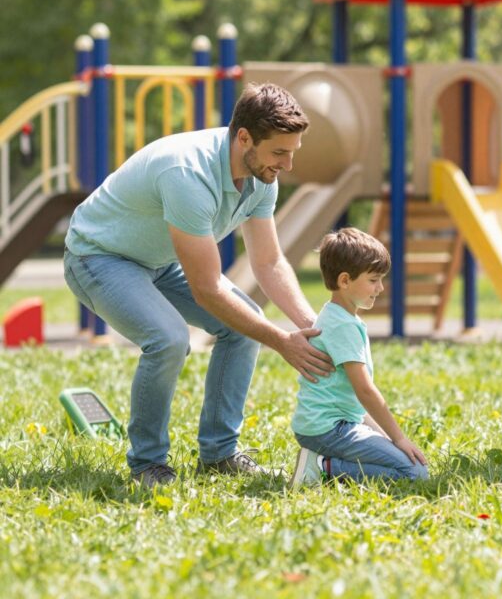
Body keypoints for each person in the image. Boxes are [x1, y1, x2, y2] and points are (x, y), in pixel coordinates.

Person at [63, 83, 334, 487]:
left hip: (157, 260)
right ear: (244, 137)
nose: (288, 165)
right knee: (169, 338)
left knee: (244, 328)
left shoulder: (263, 176)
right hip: (98, 256)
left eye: (292, 152)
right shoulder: (187, 173)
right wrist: (283, 341)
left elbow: (269, 261)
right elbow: (207, 287)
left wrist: (313, 327)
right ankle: (148, 464)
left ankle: (220, 455)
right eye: (280, 152)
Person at [290, 228, 428, 487]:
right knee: (415, 473)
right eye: (374, 280)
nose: (381, 288)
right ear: (345, 281)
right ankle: (322, 468)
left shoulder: (338, 317)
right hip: (329, 430)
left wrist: (381, 435)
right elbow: (364, 390)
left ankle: (322, 463)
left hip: (332, 424)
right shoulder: (342, 326)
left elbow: (352, 399)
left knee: (407, 464)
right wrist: (398, 438)